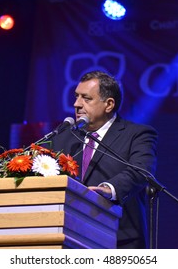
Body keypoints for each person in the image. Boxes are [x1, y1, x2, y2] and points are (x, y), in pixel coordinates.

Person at [50, 70, 158, 248]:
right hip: (68, 238)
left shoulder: (137, 135)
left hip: (120, 240)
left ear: (108, 104)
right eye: (76, 97)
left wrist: (109, 188)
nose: (77, 104)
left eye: (86, 98)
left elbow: (141, 170)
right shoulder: (62, 137)